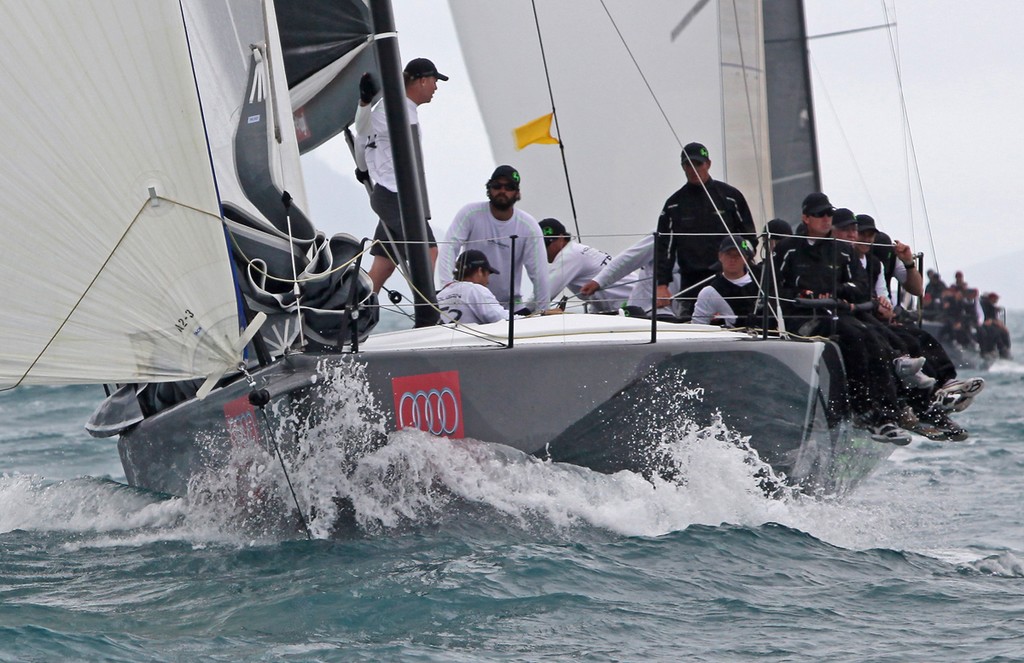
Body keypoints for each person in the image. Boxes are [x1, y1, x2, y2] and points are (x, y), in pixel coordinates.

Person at [773, 193, 911, 445]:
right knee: (856, 337)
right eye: (820, 214)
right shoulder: (788, 248)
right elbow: (773, 286)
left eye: (829, 214)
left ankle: (888, 414)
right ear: (806, 218)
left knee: (872, 338)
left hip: (834, 313)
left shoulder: (843, 251)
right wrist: (801, 295)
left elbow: (860, 286)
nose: (826, 219)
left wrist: (837, 292)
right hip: (801, 318)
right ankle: (865, 410)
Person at [356, 58, 448, 293]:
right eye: (435, 81)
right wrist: (364, 103)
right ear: (422, 80)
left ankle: (354, 313)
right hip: (393, 196)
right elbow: (363, 132)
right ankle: (427, 309)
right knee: (428, 250)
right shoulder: (392, 108)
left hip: (398, 196)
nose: (436, 87)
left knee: (384, 265)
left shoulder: (407, 109)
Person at [655, 142, 756, 316]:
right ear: (683, 167)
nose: (694, 169)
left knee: (740, 323)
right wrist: (662, 285)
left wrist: (743, 267)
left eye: (698, 164)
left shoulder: (730, 197)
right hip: (691, 282)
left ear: (708, 164)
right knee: (691, 326)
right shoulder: (674, 205)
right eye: (689, 164)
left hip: (729, 281)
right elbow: (665, 247)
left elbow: (749, 238)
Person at [438, 166, 551, 314]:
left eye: (509, 187)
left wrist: (543, 311)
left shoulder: (529, 226)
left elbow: (539, 272)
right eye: (497, 185)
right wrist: (448, 286)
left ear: (517, 192)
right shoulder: (470, 213)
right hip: (472, 304)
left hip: (511, 307)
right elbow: (449, 247)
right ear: (489, 188)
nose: (502, 191)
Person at [538, 218, 632, 313]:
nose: (544, 251)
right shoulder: (577, 250)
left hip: (633, 305)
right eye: (540, 247)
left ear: (561, 238)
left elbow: (543, 295)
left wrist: (524, 311)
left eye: (546, 245)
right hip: (627, 304)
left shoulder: (569, 255)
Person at [579, 234, 681, 320]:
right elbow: (631, 257)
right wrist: (599, 281)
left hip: (682, 309)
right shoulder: (666, 233)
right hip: (649, 309)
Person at [692, 237, 760, 327]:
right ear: (720, 256)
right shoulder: (710, 292)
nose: (733, 259)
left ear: (745, 258)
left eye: (738, 255)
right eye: (728, 254)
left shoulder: (762, 281)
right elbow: (698, 327)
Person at [436, 250, 508, 324]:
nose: (488, 281)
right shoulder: (476, 290)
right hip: (470, 335)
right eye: (487, 275)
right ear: (480, 271)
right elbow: (502, 318)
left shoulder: (439, 295)